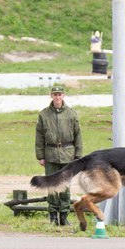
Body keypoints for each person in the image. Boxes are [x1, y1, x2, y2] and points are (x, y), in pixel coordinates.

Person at [35, 85, 82, 226]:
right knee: (51, 185)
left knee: (65, 186)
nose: (57, 97)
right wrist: (40, 156)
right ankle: (52, 216)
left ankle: (63, 215)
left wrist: (78, 157)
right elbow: (39, 137)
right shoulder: (43, 114)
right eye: (55, 94)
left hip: (68, 154)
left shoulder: (72, 114)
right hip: (51, 154)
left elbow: (78, 136)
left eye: (60, 94)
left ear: (63, 96)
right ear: (51, 96)